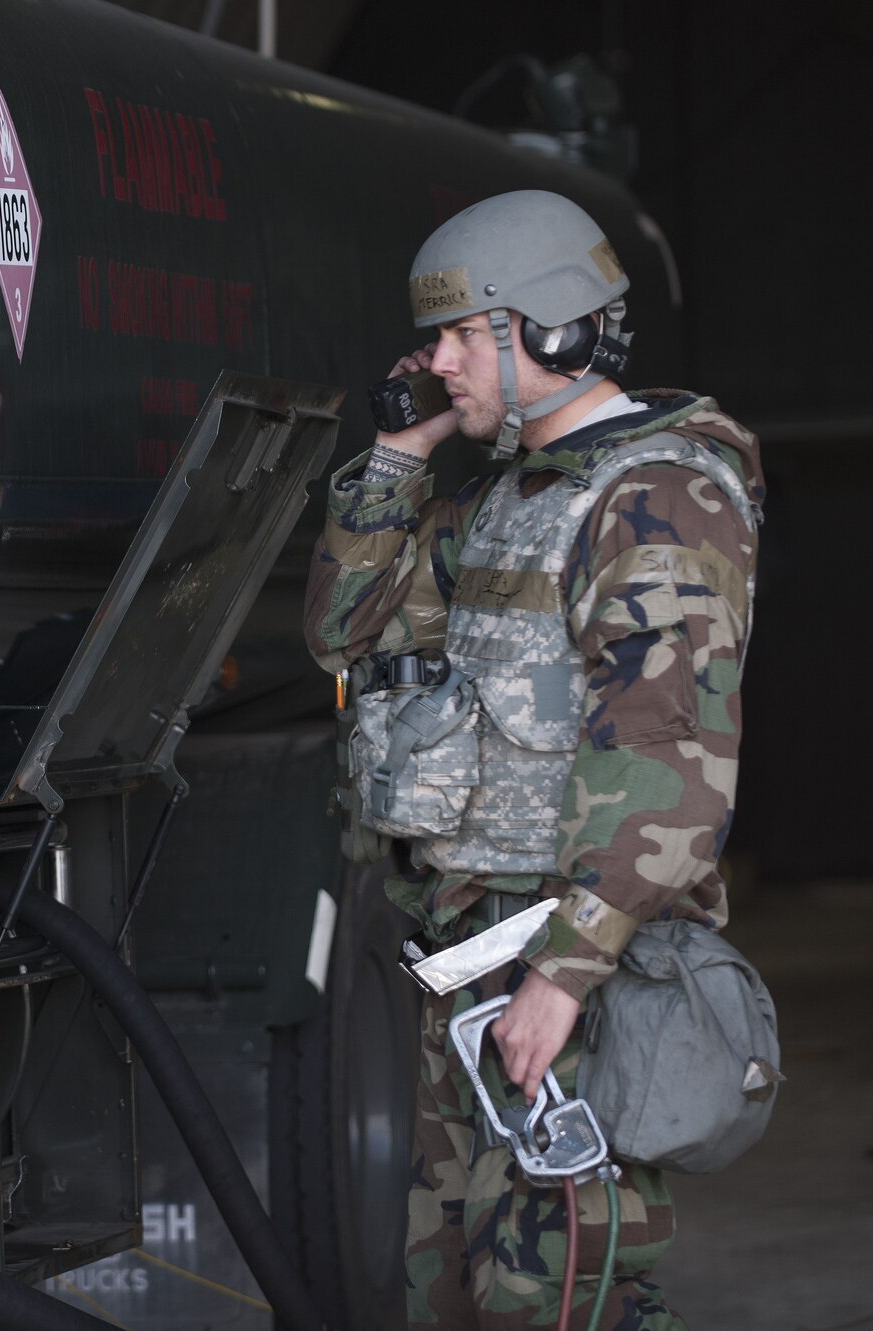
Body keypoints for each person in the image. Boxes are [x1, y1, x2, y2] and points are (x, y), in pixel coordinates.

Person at [304, 190, 763, 1329]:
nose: (437, 360)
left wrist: (563, 972)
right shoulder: (498, 500)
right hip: (467, 955)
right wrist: (397, 455)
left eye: (464, 334)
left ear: (548, 331)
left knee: (554, 1286)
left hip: (569, 962)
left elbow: (668, 757)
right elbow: (342, 637)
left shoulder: (658, 497)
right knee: (446, 1280)